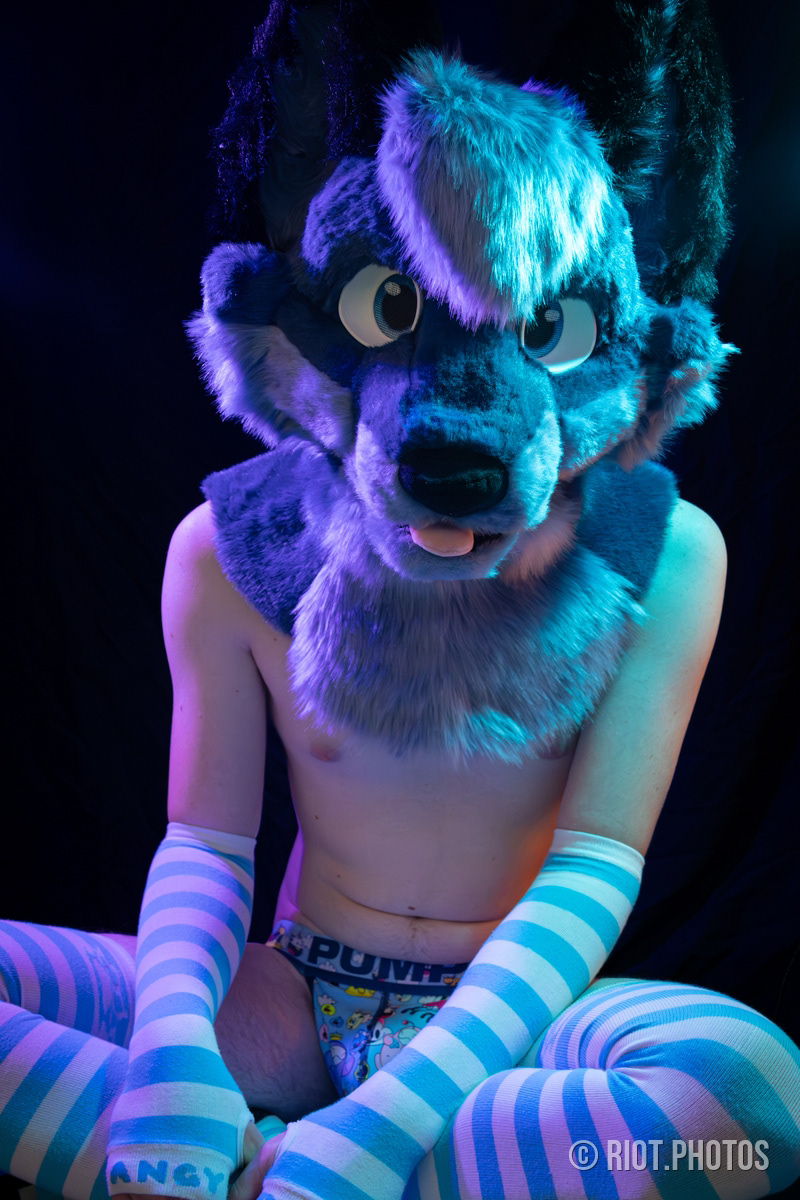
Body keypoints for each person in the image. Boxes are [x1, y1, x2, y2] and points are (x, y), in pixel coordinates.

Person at [2, 10, 799, 1200]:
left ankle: (267, 1170)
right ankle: (270, 1152)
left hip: (510, 1036)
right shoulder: (225, 549)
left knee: (742, 1104)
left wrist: (388, 1121)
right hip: (283, 995)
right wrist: (173, 1055)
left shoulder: (668, 554)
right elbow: (205, 845)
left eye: (542, 326)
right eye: (393, 309)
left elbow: (591, 869)